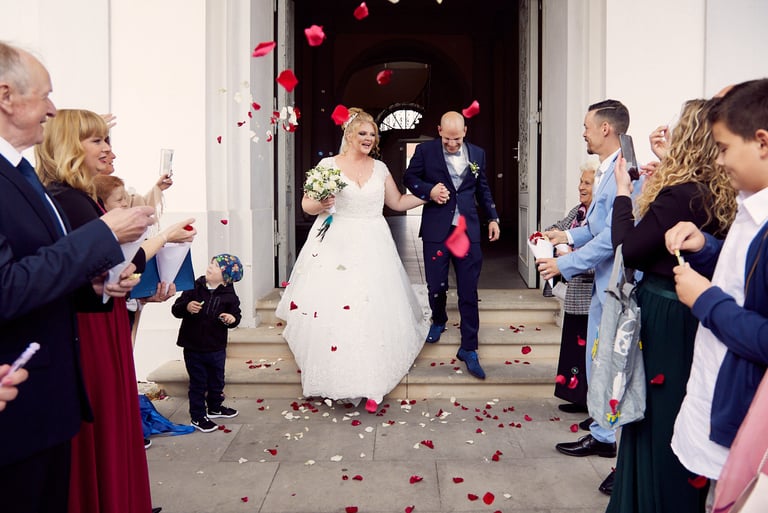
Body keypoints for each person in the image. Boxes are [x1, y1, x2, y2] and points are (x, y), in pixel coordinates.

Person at [0, 42, 154, 512]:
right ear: (5, 96)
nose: (51, 108)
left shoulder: (21, 174)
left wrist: (96, 288)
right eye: (45, 96)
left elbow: (43, 264)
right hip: (15, 406)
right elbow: (5, 289)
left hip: (47, 401)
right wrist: (103, 236)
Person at [35, 108, 195, 513]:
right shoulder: (69, 200)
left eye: (108, 140)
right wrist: (163, 239)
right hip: (90, 327)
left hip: (105, 317)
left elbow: (109, 270)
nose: (108, 149)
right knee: (103, 420)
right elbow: (106, 268)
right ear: (70, 146)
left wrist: (138, 293)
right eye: (97, 141)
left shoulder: (79, 195)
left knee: (114, 416)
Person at [608, 99, 736, 512]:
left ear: (689, 139)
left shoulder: (678, 195)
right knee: (685, 409)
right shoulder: (722, 191)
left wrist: (624, 195)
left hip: (665, 311)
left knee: (654, 414)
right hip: (696, 309)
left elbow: (628, 249)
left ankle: (650, 501)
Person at [276, 108, 432, 413]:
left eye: (372, 135)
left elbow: (397, 202)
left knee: (370, 307)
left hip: (374, 243)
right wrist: (321, 202)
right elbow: (307, 205)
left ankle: (372, 382)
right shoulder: (328, 166)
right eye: (363, 133)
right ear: (349, 134)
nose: (369, 138)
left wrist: (427, 194)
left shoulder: (381, 168)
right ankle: (334, 374)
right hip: (336, 242)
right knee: (337, 308)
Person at [665, 78, 768, 511]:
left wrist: (705, 301)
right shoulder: (751, 204)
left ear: (762, 142)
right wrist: (704, 247)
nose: (719, 160)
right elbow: (744, 276)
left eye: (724, 148)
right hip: (718, 395)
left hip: (747, 421)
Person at [537, 100, 630, 488]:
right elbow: (596, 225)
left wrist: (566, 264)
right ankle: (603, 435)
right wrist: (568, 236)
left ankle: (616, 447)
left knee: (610, 366)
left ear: (606, 129)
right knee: (596, 361)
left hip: (616, 284)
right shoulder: (607, 169)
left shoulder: (626, 171)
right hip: (601, 286)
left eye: (587, 126)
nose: (583, 132)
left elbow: (613, 236)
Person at [403, 111, 500, 379]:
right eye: (447, 138)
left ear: (465, 132)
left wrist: (493, 217)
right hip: (437, 228)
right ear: (439, 130)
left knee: (468, 290)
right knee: (436, 284)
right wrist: (429, 191)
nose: (452, 144)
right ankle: (439, 319)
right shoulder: (425, 151)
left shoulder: (478, 154)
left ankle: (469, 348)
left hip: (466, 230)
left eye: (456, 138)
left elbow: (483, 188)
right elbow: (409, 178)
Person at [172, 254, 243, 432]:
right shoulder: (194, 287)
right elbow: (176, 309)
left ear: (226, 278)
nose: (211, 266)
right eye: (211, 263)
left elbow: (236, 317)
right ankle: (197, 416)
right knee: (198, 382)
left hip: (216, 347)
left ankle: (214, 407)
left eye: (217, 266)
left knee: (217, 380)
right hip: (193, 346)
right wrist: (187, 307)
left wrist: (231, 318)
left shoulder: (230, 296)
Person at [547, 162, 597, 413]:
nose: (581, 187)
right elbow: (556, 229)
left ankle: (589, 401)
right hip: (575, 294)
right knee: (574, 350)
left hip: (590, 294)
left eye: (587, 183)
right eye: (581, 182)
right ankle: (577, 397)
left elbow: (597, 257)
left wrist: (569, 255)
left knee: (588, 349)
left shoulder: (599, 218)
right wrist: (549, 237)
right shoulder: (577, 212)